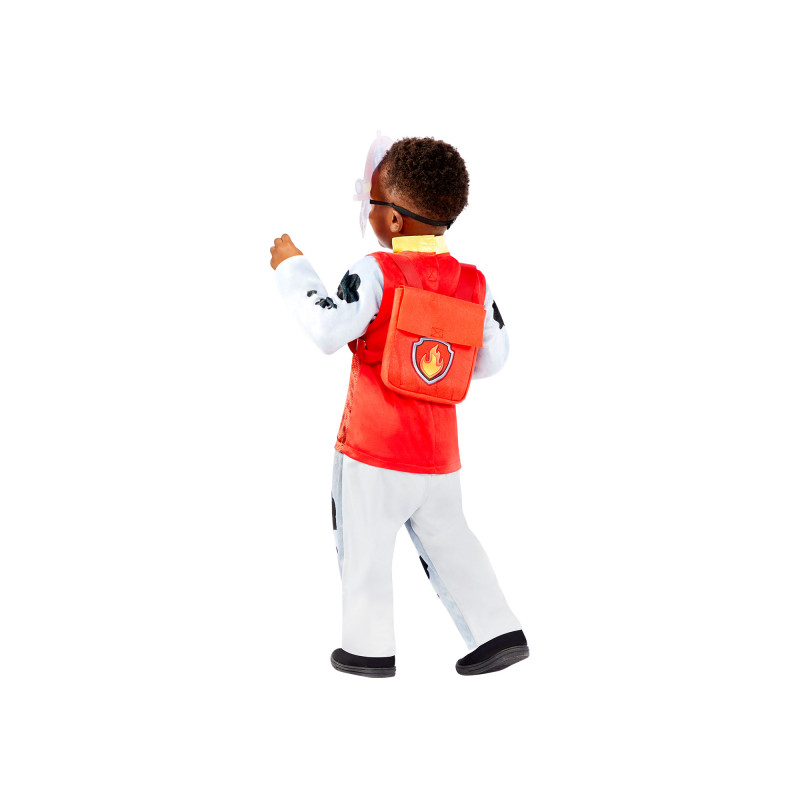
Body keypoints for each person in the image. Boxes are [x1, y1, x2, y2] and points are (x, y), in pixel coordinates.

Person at [269, 137, 527, 677]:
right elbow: (493, 358)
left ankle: (368, 649)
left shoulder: (375, 271)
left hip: (374, 449)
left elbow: (328, 328)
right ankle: (497, 633)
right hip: (439, 457)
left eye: (371, 202)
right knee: (453, 543)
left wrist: (294, 269)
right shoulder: (474, 282)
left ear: (391, 219)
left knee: (364, 551)